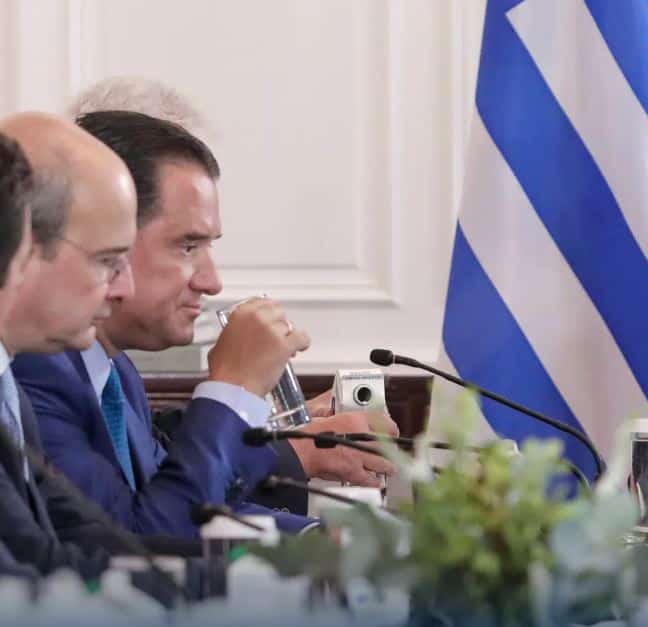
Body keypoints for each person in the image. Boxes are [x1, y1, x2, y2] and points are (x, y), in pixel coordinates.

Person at [13, 110, 396, 539]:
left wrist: (321, 540)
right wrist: (234, 388)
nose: (211, 282)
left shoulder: (114, 371)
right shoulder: (34, 371)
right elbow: (144, 543)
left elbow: (189, 505)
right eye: (187, 246)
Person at [0, 114, 137, 578]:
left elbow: (81, 539)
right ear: (25, 245)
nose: (125, 289)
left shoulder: (10, 387)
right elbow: (32, 575)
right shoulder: (38, 378)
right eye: (107, 260)